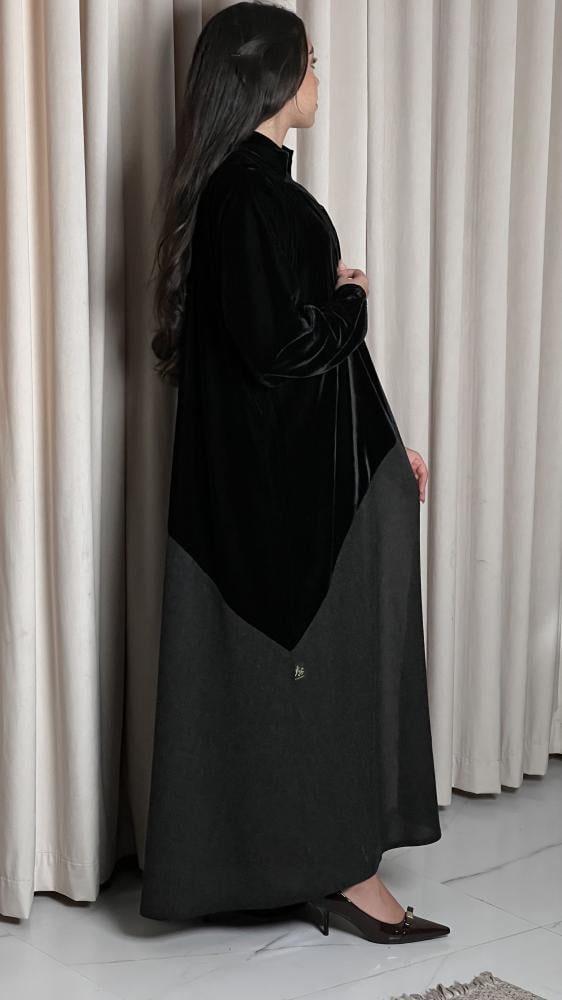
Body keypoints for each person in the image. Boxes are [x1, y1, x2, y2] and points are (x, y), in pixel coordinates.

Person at [139, 0, 450, 945]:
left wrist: (384, 444)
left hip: (310, 479)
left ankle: (329, 865)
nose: (320, 76)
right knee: (322, 673)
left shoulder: (253, 192)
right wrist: (353, 298)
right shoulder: (248, 197)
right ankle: (346, 875)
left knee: (328, 671)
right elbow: (283, 350)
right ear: (269, 76)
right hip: (288, 498)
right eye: (309, 61)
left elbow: (306, 363)